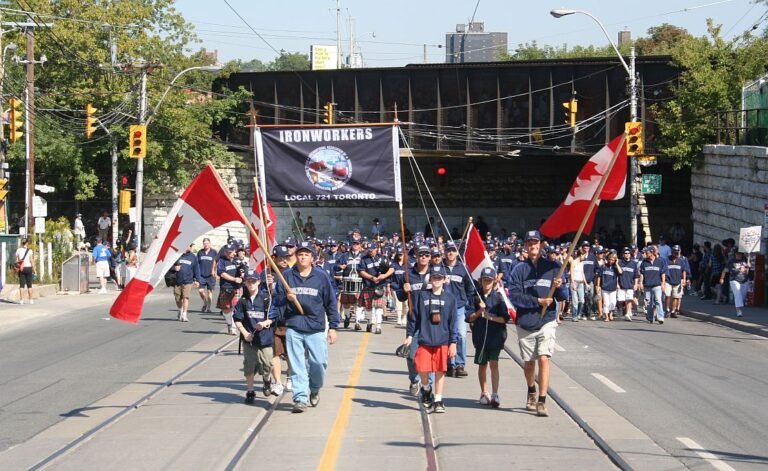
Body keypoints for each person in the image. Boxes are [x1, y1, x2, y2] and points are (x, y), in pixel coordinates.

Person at [269, 241, 340, 413]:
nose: (303, 257)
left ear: (312, 258)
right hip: (294, 326)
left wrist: (333, 327)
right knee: (297, 364)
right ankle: (300, 397)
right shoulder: (287, 275)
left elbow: (330, 302)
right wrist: (287, 298)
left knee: (319, 363)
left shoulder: (321, 277)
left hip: (315, 326)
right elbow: (276, 301)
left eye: (307, 254)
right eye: (300, 254)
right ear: (296, 256)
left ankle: (314, 388)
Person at [509, 230, 566, 417]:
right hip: (526, 321)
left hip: (546, 321)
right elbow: (515, 296)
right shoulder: (518, 269)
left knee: (544, 358)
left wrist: (559, 287)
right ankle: (531, 389)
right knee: (529, 363)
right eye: (530, 243)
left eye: (536, 242)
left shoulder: (553, 267)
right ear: (525, 246)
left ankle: (542, 400)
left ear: (541, 245)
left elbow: (563, 296)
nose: (533, 245)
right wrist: (537, 302)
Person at [402, 265, 458, 414]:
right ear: (430, 279)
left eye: (440, 278)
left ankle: (438, 399)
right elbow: (414, 317)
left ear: (444, 279)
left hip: (442, 340)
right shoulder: (422, 296)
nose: (437, 280)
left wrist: (453, 342)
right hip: (425, 339)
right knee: (421, 366)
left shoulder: (450, 298)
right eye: (434, 277)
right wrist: (409, 335)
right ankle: (426, 388)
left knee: (440, 370)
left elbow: (453, 323)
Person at [466, 266, 510, 408]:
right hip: (480, 337)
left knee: (494, 364)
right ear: (480, 281)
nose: (487, 283)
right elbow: (470, 318)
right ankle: (484, 392)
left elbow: (505, 318)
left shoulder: (498, 298)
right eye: (485, 280)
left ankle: (495, 393)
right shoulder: (475, 297)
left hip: (495, 336)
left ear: (494, 282)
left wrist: (490, 317)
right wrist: (480, 311)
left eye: (489, 280)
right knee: (482, 365)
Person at [234, 269, 275, 403]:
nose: (250, 284)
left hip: (265, 338)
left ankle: (267, 379)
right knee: (249, 365)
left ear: (258, 282)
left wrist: (265, 323)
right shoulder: (243, 301)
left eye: (253, 281)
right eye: (248, 281)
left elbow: (274, 317)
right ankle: (250, 390)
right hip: (249, 340)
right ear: (245, 283)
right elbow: (238, 319)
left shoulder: (266, 299)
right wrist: (245, 333)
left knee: (267, 364)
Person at [443, 241, 473, 378]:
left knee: (461, 334)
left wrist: (464, 300)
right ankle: (449, 364)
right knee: (447, 335)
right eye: (448, 250)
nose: (451, 253)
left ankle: (460, 364)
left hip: (459, 307)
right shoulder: (440, 268)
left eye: (453, 250)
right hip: (444, 307)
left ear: (457, 252)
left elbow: (470, 287)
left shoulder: (463, 268)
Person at [358, 241, 394, 334]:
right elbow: (361, 271)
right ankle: (369, 322)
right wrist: (371, 278)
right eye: (368, 250)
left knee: (379, 306)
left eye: (372, 250)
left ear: (376, 249)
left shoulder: (383, 258)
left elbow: (392, 268)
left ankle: (378, 326)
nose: (370, 252)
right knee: (368, 307)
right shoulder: (364, 259)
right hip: (368, 285)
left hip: (381, 285)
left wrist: (384, 276)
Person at [637, 246, 666, 324]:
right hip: (647, 285)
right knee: (648, 302)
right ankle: (650, 317)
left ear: (652, 253)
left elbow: (662, 273)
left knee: (658, 300)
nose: (646, 254)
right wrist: (640, 283)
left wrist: (663, 283)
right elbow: (642, 273)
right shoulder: (644, 262)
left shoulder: (659, 262)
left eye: (647, 252)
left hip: (657, 284)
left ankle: (660, 317)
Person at [217, 246, 242, 335]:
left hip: (237, 288)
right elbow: (222, 274)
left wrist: (242, 274)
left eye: (230, 252)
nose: (228, 253)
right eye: (227, 252)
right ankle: (229, 323)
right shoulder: (221, 261)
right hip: (226, 287)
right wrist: (234, 279)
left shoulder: (237, 261)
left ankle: (233, 327)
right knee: (226, 309)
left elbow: (242, 271)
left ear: (234, 252)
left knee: (235, 307)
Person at [173, 244, 200, 322]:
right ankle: (180, 309)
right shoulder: (177, 255)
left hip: (188, 281)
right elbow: (168, 266)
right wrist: (174, 268)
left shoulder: (193, 257)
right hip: (177, 280)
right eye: (186, 245)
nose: (187, 247)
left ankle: (184, 314)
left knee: (186, 297)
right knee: (177, 298)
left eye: (189, 246)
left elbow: (196, 269)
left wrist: (197, 280)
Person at [722, 250, 750, 317]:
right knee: (738, 294)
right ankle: (739, 311)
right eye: (737, 254)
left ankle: (739, 306)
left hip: (744, 280)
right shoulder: (731, 261)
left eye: (740, 254)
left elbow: (748, 269)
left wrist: (748, 266)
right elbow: (727, 270)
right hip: (734, 280)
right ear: (735, 254)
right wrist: (722, 278)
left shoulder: (744, 260)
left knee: (742, 296)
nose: (739, 255)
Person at [665, 245, 687, 318]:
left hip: (677, 281)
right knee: (667, 296)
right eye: (675, 253)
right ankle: (667, 309)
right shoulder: (667, 260)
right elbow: (664, 270)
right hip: (668, 281)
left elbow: (684, 271)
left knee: (676, 297)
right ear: (672, 252)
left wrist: (684, 279)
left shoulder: (681, 261)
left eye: (678, 253)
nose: (676, 254)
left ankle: (673, 311)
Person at [196, 238, 218, 312]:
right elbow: (197, 264)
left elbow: (217, 262)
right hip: (201, 275)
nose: (206, 245)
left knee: (209, 292)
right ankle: (205, 302)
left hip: (210, 275)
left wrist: (215, 272)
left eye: (207, 243)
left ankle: (208, 308)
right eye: (204, 243)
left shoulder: (214, 252)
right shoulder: (200, 252)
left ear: (210, 243)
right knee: (200, 291)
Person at [15, 238, 36, 304]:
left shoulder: (18, 250)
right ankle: (31, 300)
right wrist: (34, 269)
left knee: (21, 285)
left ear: (22, 243)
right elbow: (31, 260)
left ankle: (21, 300)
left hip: (21, 268)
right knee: (29, 285)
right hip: (28, 268)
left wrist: (17, 268)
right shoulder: (29, 251)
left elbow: (17, 261)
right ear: (27, 243)